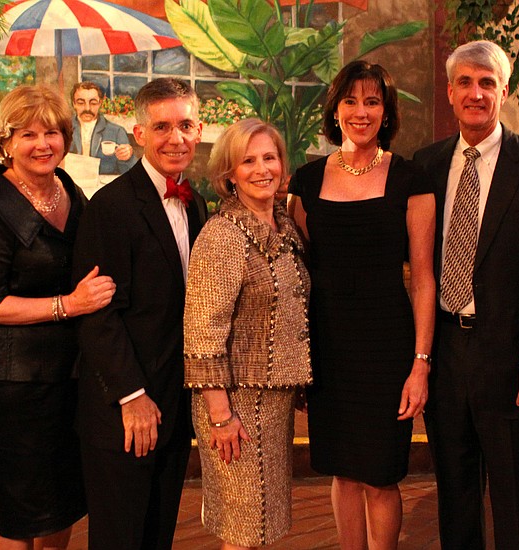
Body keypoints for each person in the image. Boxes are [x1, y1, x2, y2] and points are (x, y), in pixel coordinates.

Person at [413, 40, 519, 550]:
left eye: (487, 82)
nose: (476, 93)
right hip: (445, 355)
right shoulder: (428, 164)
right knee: (455, 497)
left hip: (513, 362)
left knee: (514, 502)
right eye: (465, 82)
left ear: (504, 91)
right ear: (450, 91)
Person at [288, 60, 435, 549]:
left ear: (386, 111)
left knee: (379, 475)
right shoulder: (306, 182)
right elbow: (298, 276)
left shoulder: (411, 179)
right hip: (328, 349)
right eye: (350, 100)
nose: (361, 111)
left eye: (372, 101)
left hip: (387, 350)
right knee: (343, 472)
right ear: (335, 109)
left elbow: (423, 278)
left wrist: (420, 364)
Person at [0, 85, 116, 550]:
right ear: (5, 142)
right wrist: (67, 305)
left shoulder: (67, 188)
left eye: (52, 131)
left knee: (64, 501)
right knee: (23, 512)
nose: (42, 143)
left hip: (72, 376)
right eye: (27, 133)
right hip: (19, 385)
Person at [72, 77, 209, 550]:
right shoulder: (109, 207)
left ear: (199, 128)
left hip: (174, 402)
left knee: (157, 535)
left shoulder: (195, 203)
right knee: (119, 538)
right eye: (163, 126)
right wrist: (132, 397)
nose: (176, 137)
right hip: (126, 410)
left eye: (185, 125)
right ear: (138, 134)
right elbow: (97, 314)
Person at [183, 118, 311, 549]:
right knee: (243, 527)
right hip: (233, 405)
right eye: (248, 161)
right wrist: (220, 416)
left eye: (269, 158)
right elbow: (202, 332)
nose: (262, 169)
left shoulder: (282, 226)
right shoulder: (224, 235)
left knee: (260, 523)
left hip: (270, 403)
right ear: (229, 174)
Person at [69, 81, 136, 175]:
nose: (87, 108)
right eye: (81, 103)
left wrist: (127, 157)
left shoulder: (117, 132)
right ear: (74, 104)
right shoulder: (63, 129)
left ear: (100, 103)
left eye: (93, 103)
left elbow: (130, 174)